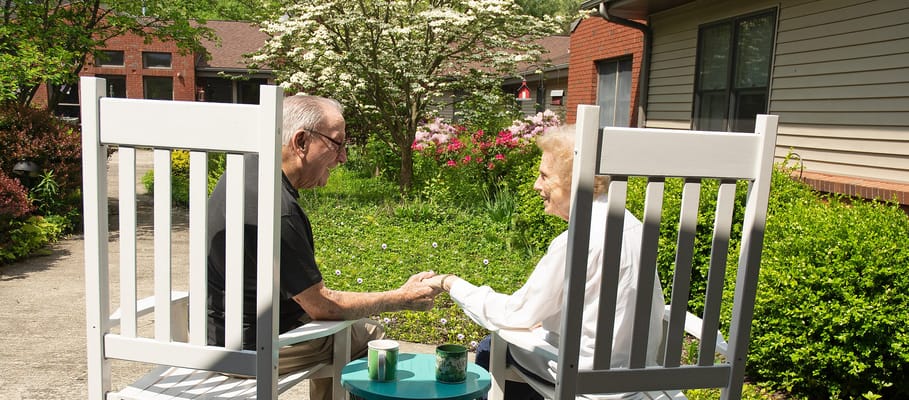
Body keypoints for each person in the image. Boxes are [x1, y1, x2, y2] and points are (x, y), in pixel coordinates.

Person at [206, 94, 442, 400]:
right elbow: (323, 306)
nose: (343, 157)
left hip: (212, 332)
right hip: (248, 348)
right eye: (337, 143)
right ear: (301, 141)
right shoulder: (279, 209)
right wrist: (401, 297)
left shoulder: (245, 171)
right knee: (368, 337)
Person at [425, 125, 666, 400]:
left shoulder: (578, 239)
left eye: (544, 176)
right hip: (639, 377)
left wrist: (451, 283)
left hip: (589, 382)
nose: (536, 185)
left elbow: (515, 314)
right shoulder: (634, 227)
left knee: (491, 347)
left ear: (573, 180)